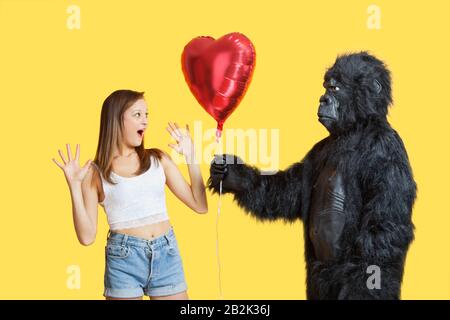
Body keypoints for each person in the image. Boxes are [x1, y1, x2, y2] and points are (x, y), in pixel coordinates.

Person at [52, 89, 208, 300]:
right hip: (123, 260)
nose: (145, 121)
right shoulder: (95, 172)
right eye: (137, 115)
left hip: (166, 254)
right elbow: (87, 237)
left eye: (146, 115)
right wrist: (74, 186)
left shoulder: (158, 159)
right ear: (116, 120)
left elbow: (200, 205)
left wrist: (191, 155)